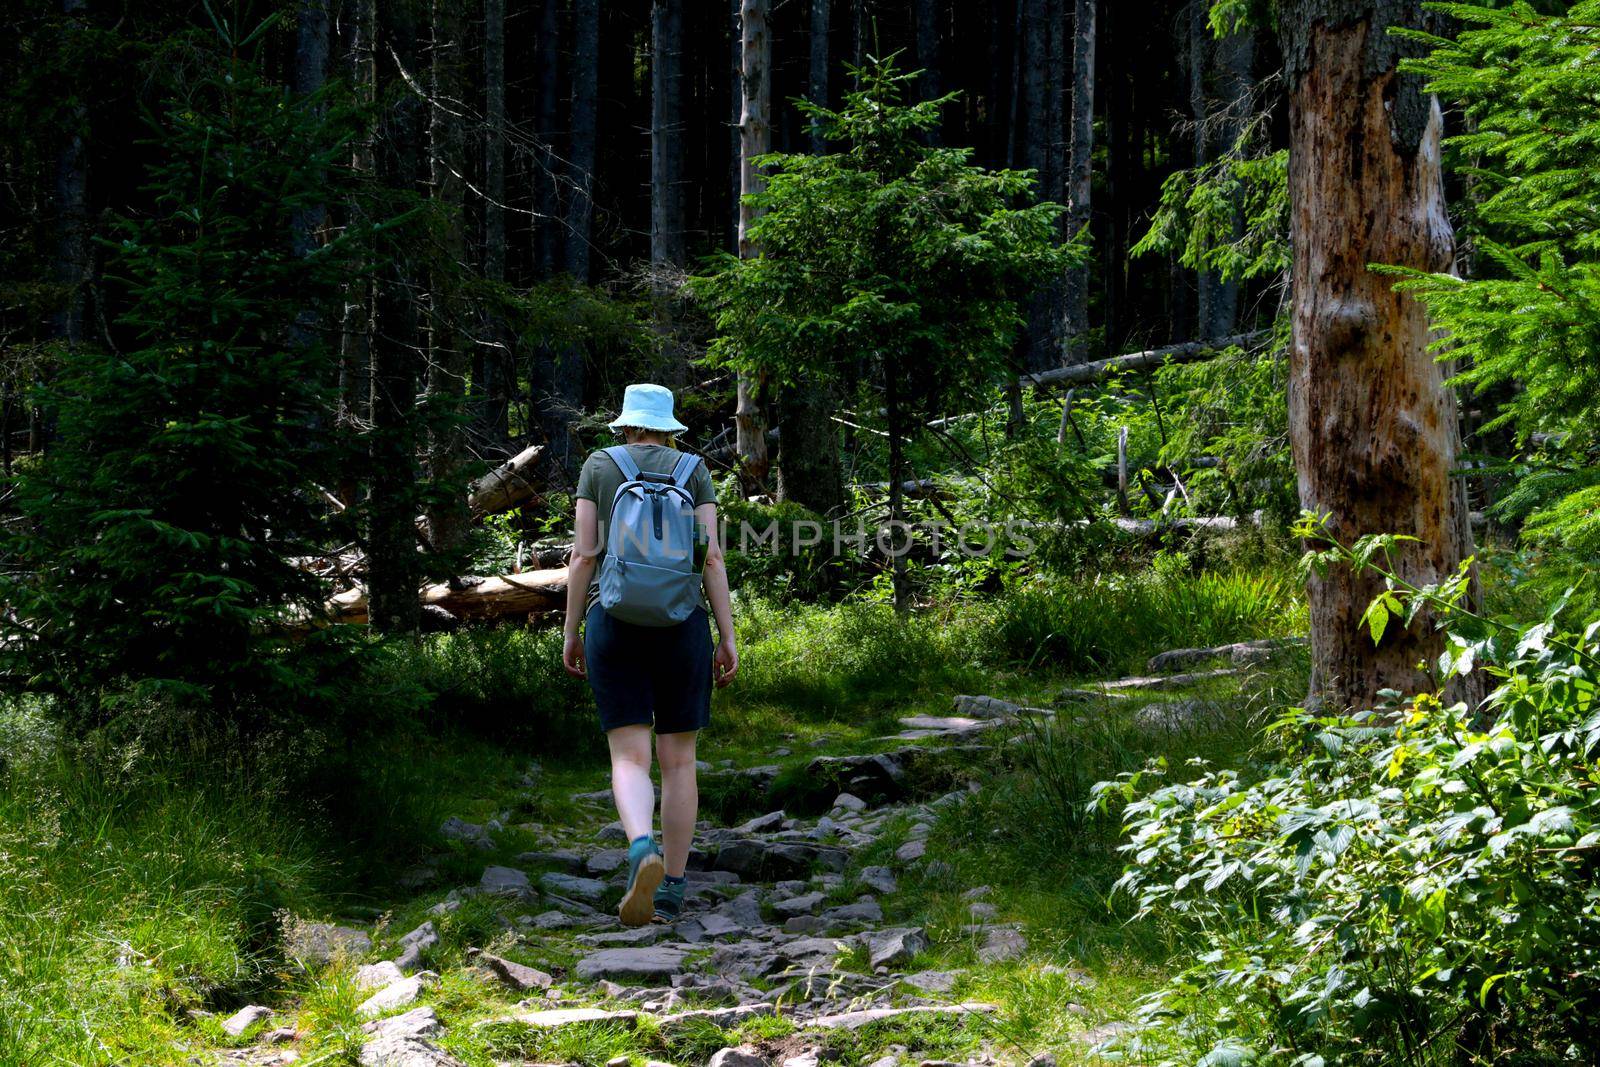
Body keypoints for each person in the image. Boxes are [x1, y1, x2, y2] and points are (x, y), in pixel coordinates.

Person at [562, 383, 739, 926]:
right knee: (679, 761)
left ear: (626, 423)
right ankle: (673, 891)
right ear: (667, 425)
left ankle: (642, 848)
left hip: (615, 623)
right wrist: (727, 635)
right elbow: (710, 559)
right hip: (682, 624)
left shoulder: (599, 465)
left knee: (629, 756)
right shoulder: (694, 470)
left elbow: (583, 556)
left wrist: (572, 629)